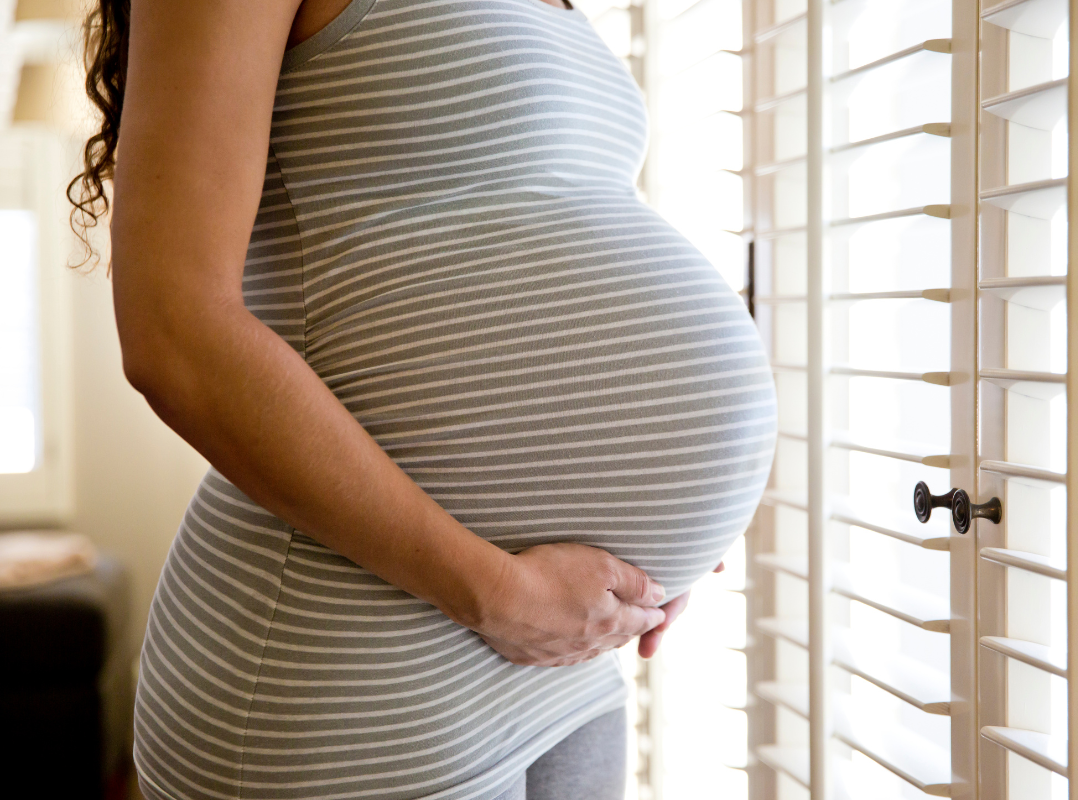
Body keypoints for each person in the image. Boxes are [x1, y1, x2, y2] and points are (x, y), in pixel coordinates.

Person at [69, 0, 777, 797]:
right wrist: (498, 594)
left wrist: (660, 523)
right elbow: (175, 335)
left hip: (565, 667)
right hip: (356, 670)